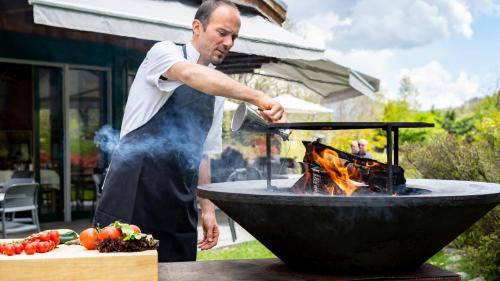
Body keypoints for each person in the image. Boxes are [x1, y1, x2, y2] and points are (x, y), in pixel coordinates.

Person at [94, 0, 286, 262]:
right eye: (222, 33)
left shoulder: (218, 91)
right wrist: (258, 97)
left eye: (234, 37)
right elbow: (191, 75)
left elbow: (203, 154)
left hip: (178, 201)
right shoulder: (164, 53)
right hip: (134, 191)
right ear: (197, 26)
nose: (229, 43)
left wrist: (207, 208)